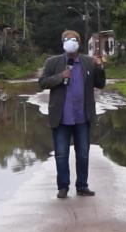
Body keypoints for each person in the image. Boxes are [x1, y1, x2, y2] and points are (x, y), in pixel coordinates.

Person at [38, 30, 106, 199]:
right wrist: (61, 76)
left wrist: (99, 68)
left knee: (82, 154)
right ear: (62, 42)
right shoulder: (52, 62)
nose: (70, 42)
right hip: (61, 118)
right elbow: (42, 82)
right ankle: (63, 187)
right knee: (61, 154)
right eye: (67, 40)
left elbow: (100, 84)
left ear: (79, 43)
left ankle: (82, 186)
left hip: (82, 117)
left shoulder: (88, 62)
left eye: (74, 40)